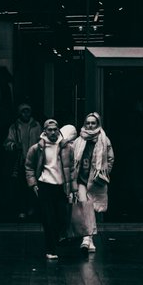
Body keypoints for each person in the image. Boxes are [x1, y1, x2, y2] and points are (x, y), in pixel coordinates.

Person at [25, 118, 74, 260]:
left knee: (62, 217)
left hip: (61, 187)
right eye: (50, 129)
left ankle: (57, 239)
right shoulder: (37, 148)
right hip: (45, 186)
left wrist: (72, 188)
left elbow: (72, 169)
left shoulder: (66, 147)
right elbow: (29, 167)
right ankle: (50, 250)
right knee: (48, 219)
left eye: (55, 129)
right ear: (44, 131)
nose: (53, 132)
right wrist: (33, 184)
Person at [68, 111, 113, 253]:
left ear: (98, 124)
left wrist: (104, 172)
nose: (90, 125)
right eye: (88, 122)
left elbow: (110, 159)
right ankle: (87, 239)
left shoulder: (104, 139)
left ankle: (88, 239)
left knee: (93, 209)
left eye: (93, 122)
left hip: (96, 180)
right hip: (81, 179)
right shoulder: (78, 140)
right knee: (85, 208)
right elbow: (71, 157)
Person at [4, 103, 42, 220]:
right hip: (21, 161)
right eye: (23, 111)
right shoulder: (14, 127)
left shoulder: (36, 126)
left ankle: (32, 208)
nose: (25, 114)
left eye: (27, 111)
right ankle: (22, 209)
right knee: (20, 187)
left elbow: (42, 141)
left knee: (33, 186)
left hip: (34, 161)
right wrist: (14, 146)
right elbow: (7, 143)